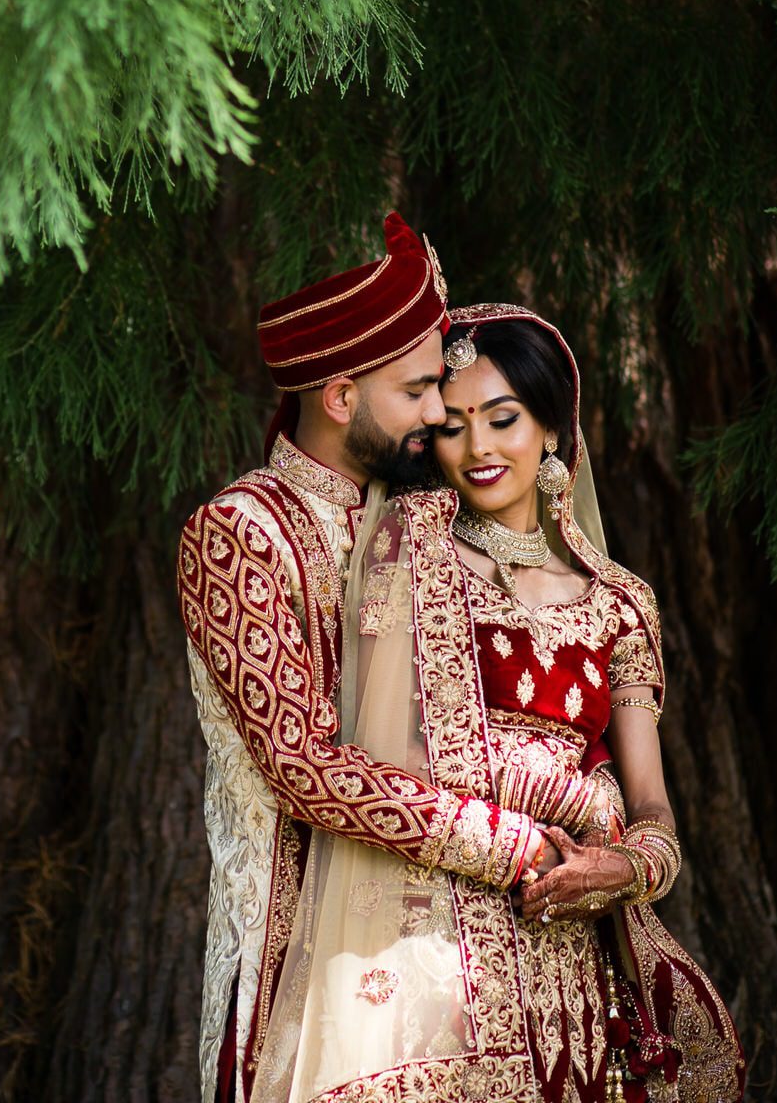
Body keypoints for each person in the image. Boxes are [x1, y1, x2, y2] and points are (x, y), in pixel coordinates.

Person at [247, 305, 746, 1103]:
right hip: (428, 943)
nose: (478, 448)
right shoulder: (409, 550)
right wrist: (563, 800)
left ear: (551, 428)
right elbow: (386, 760)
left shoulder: (622, 604)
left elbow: (653, 807)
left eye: (503, 419)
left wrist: (624, 864)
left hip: (579, 962)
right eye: (454, 425)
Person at [176, 218, 561, 1103]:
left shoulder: (426, 512)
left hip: (468, 949)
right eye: (420, 389)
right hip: (303, 962)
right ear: (343, 398)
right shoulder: (243, 533)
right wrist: (508, 842)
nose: (440, 411)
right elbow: (306, 769)